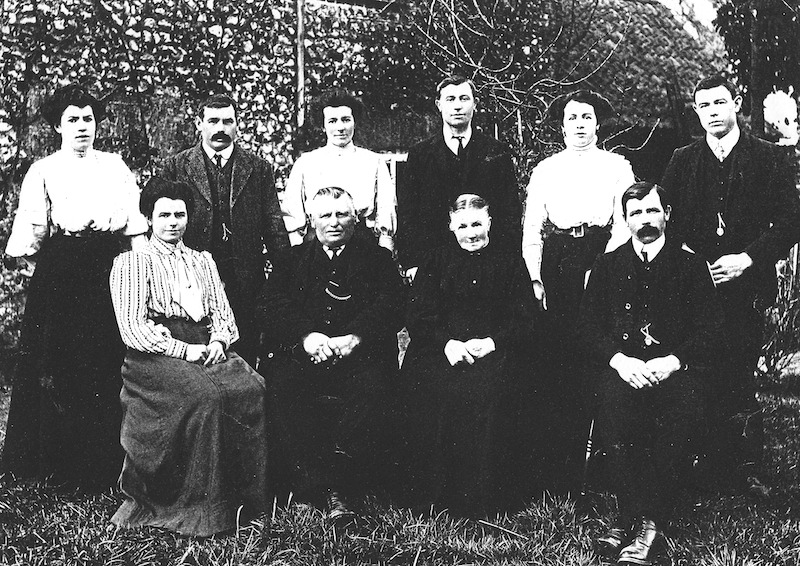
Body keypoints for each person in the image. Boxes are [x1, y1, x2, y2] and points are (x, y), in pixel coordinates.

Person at [2, 84, 148, 490]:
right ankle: (49, 463)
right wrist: (45, 284)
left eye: (88, 118)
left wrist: (140, 269)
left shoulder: (115, 166)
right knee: (57, 363)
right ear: (58, 126)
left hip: (106, 268)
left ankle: (103, 463)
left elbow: (135, 225)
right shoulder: (44, 169)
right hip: (61, 274)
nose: (82, 127)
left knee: (103, 361)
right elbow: (32, 230)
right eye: (73, 120)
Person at [661, 74, 800, 491]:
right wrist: (689, 262)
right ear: (696, 112)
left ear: (736, 103)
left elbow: (791, 220)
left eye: (719, 103)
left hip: (746, 285)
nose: (712, 113)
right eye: (703, 106)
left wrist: (748, 258)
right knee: (696, 366)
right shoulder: (682, 159)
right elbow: (664, 218)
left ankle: (745, 467)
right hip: (694, 287)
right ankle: (696, 459)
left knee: (739, 368)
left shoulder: (769, 158)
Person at [109, 178, 268, 537]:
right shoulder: (133, 263)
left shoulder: (202, 261)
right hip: (154, 355)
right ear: (148, 218)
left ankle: (244, 502)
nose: (172, 222)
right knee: (206, 397)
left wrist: (218, 341)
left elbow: (223, 314)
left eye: (179, 214)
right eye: (163, 214)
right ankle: (199, 508)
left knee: (252, 388)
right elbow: (134, 329)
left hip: (205, 345)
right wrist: (185, 350)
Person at [578, 182, 723, 565]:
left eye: (652, 211)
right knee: (611, 403)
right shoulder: (608, 265)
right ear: (625, 221)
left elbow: (710, 329)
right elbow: (588, 328)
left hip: (675, 371)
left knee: (679, 411)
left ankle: (647, 523)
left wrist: (673, 361)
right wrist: (620, 361)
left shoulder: (690, 265)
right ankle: (632, 515)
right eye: (636, 213)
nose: (645, 219)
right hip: (626, 370)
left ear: (667, 214)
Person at [256, 186, 404, 524]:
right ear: (311, 219)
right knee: (282, 386)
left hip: (361, 357)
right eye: (325, 215)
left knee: (372, 390)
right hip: (307, 356)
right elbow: (270, 306)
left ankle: (344, 489)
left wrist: (356, 336)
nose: (334, 222)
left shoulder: (377, 259)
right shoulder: (292, 261)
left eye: (341, 215)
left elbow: (391, 304)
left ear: (355, 219)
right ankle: (308, 488)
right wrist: (306, 336)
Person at [522, 89, 635, 493]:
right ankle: (558, 464)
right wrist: (535, 277)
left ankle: (603, 458)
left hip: (602, 254)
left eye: (587, 117)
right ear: (562, 125)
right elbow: (532, 228)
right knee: (558, 355)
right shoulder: (546, 169)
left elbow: (625, 222)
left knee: (598, 352)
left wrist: (601, 269)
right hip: (558, 262)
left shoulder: (617, 166)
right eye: (573, 118)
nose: (580, 125)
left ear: (597, 123)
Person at [400, 194, 537, 516]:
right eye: (463, 225)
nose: (471, 232)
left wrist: (492, 342)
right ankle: (434, 496)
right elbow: (418, 315)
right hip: (443, 350)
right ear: (451, 226)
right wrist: (447, 344)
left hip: (496, 350)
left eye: (477, 223)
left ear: (489, 222)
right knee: (432, 391)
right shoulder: (435, 260)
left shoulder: (509, 261)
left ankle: (489, 499)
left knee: (494, 393)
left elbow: (526, 318)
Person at [159, 93, 289, 366]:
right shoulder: (177, 166)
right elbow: (162, 222)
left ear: (237, 125)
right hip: (191, 276)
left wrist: (287, 274)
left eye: (227, 121)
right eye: (213, 121)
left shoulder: (258, 168)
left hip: (245, 276)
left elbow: (273, 224)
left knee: (245, 348)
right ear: (199, 124)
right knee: (198, 351)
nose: (220, 129)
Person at [396, 74, 521, 279]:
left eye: (464, 98)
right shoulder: (420, 155)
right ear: (439, 104)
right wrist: (412, 262)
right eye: (450, 99)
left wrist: (505, 261)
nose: (457, 106)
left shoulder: (496, 152)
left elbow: (509, 211)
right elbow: (408, 214)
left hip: (487, 262)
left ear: (475, 104)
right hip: (434, 265)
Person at [282, 90, 396, 251]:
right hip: (316, 246)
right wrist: (299, 259)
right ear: (323, 125)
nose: (340, 127)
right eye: (332, 121)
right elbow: (293, 218)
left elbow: (385, 213)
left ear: (355, 122)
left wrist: (385, 257)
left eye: (346, 120)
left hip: (362, 246)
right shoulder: (306, 163)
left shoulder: (373, 161)